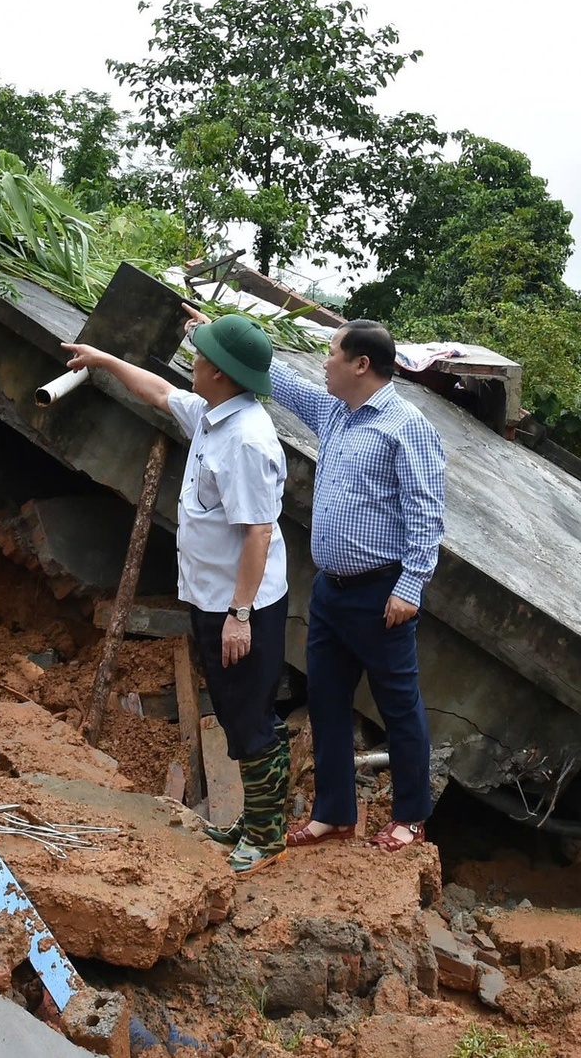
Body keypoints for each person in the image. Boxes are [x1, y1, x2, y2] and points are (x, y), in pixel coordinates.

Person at [61, 312, 293, 873]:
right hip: (214, 597)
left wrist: (239, 614)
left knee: (247, 716)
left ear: (219, 372)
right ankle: (260, 822)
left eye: (200, 354)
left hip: (242, 606)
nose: (192, 359)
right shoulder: (216, 416)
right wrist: (103, 361)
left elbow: (258, 532)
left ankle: (267, 836)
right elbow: (162, 392)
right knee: (241, 710)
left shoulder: (245, 440)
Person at [256, 316, 446, 853]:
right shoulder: (336, 412)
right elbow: (286, 387)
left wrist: (410, 586)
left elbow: (427, 513)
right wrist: (228, 338)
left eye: (332, 353)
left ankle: (411, 815)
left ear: (361, 364)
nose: (324, 362)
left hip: (380, 593)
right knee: (326, 701)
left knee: (398, 706)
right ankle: (334, 813)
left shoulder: (406, 426)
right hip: (331, 591)